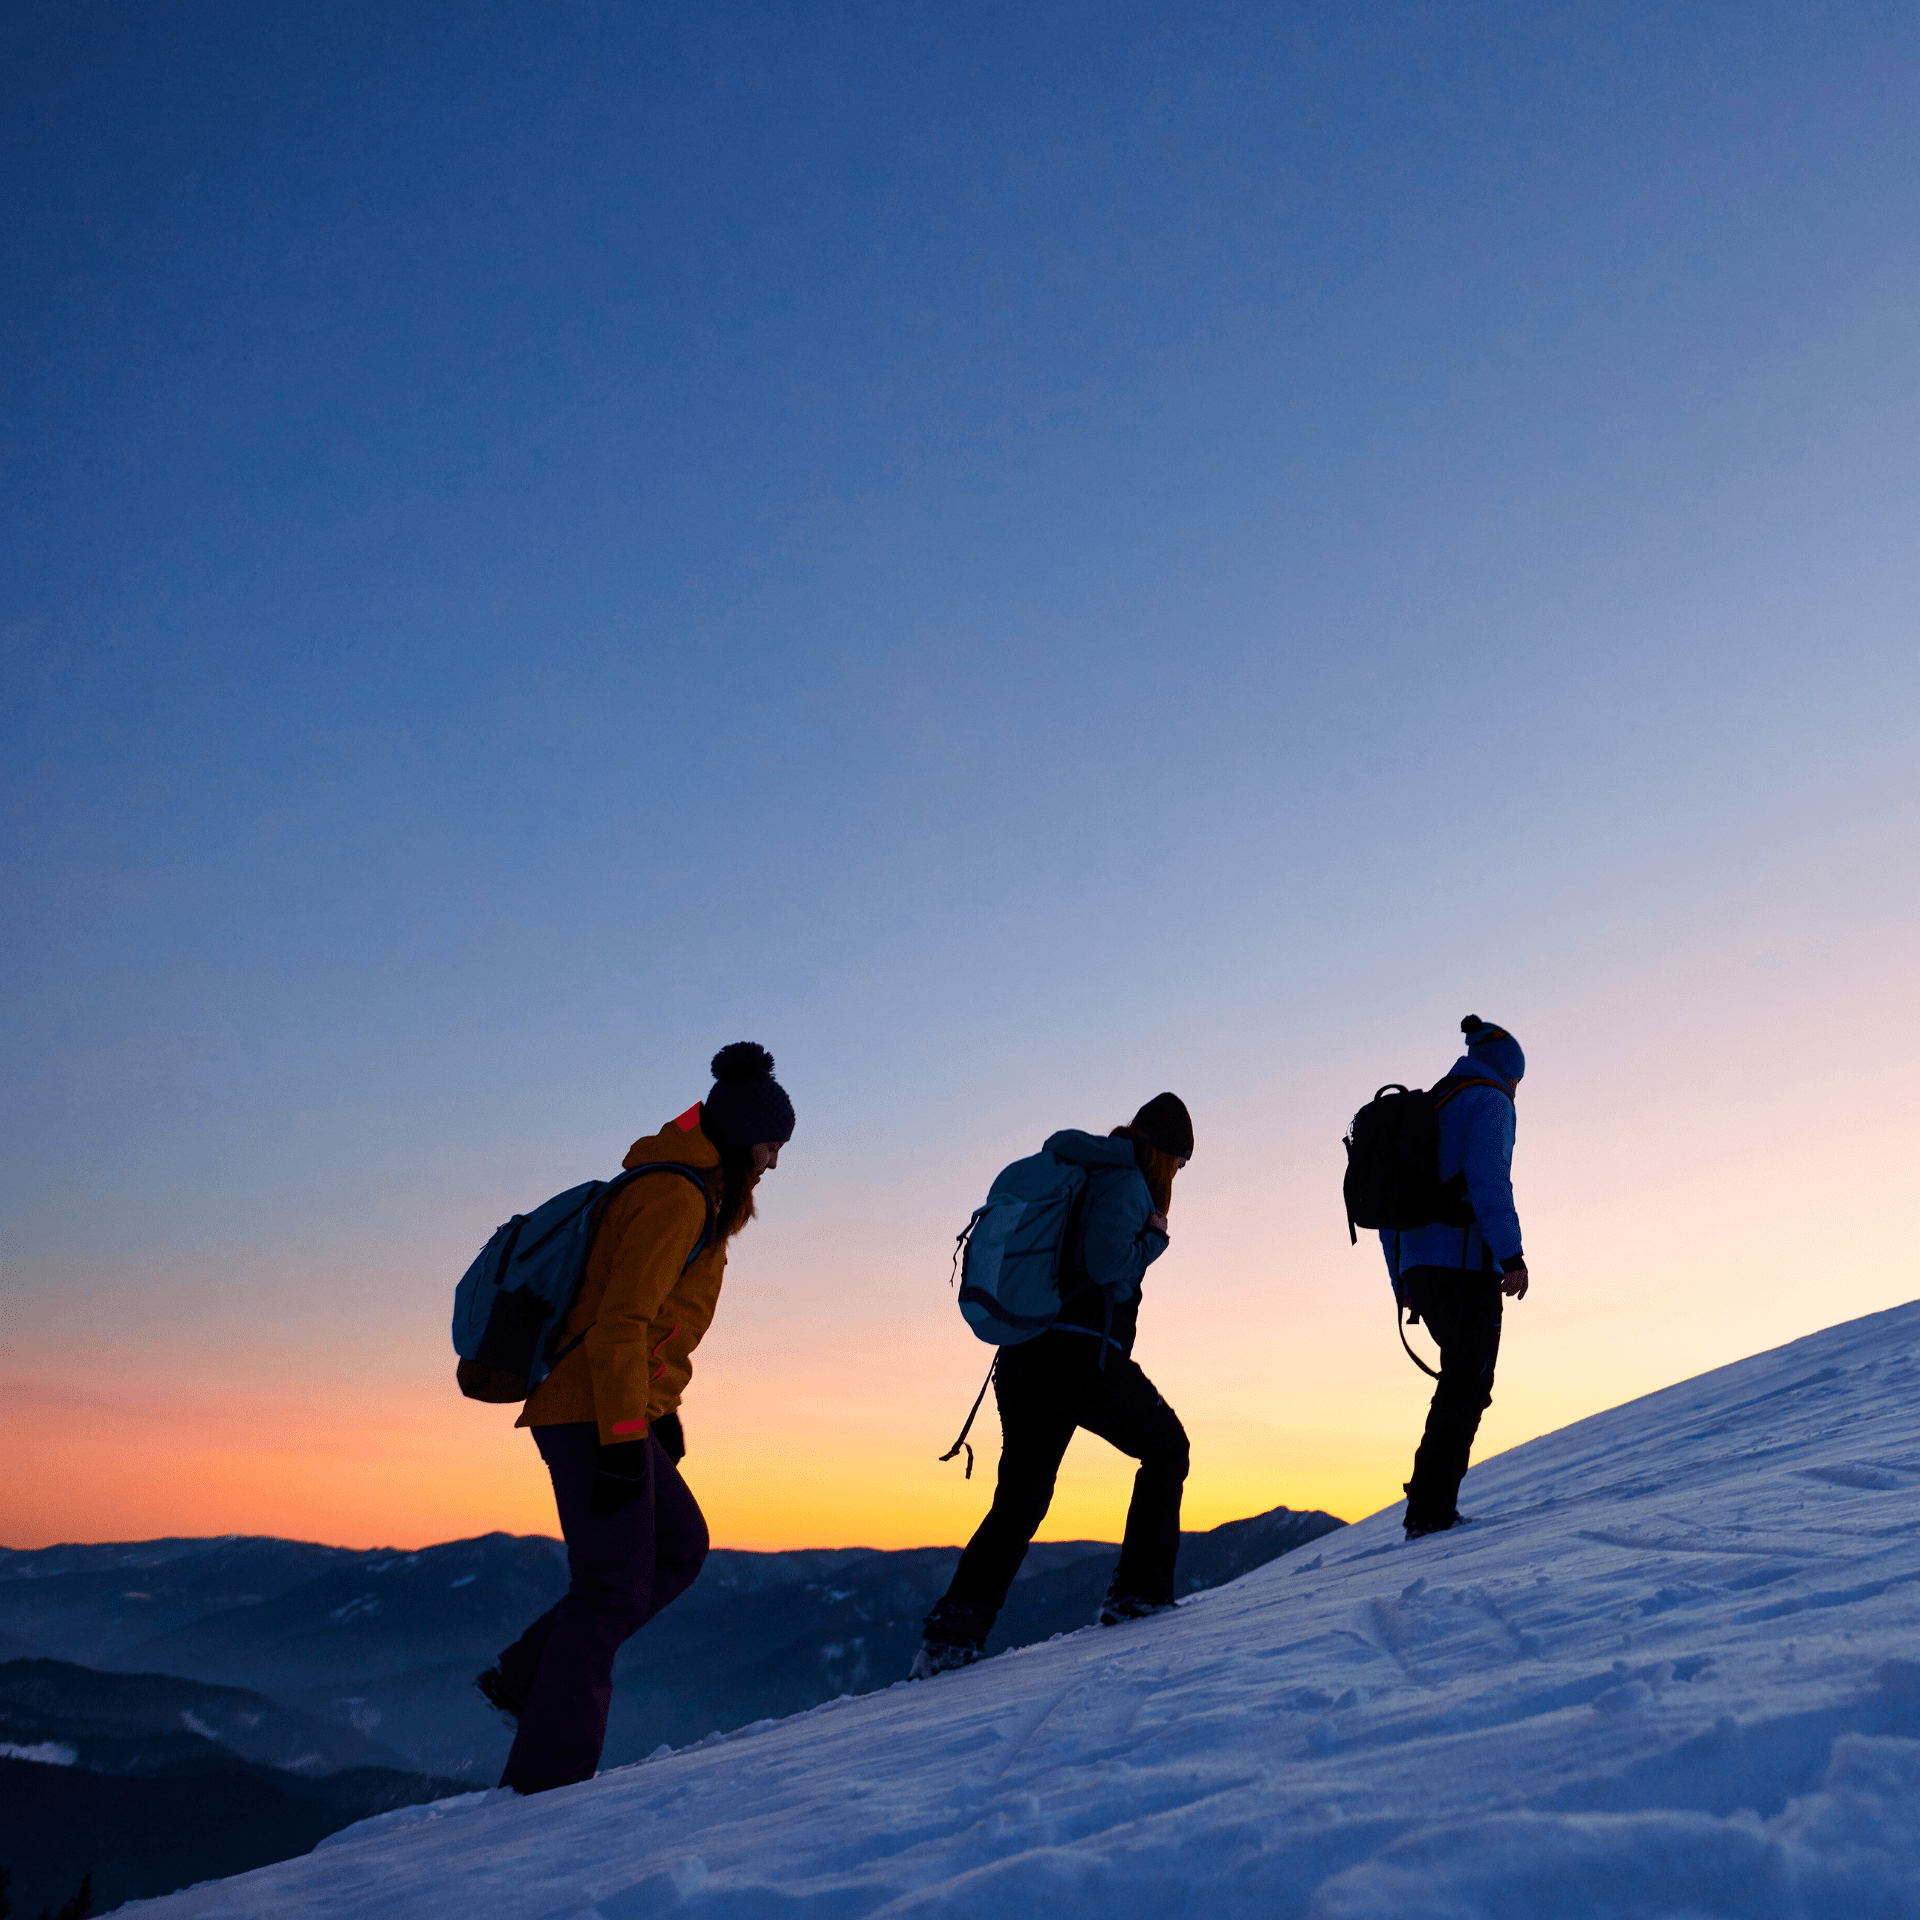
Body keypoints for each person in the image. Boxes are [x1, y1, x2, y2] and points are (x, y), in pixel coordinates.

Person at [476, 1042, 795, 1793]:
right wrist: (626, 1435)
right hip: (591, 1413)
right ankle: (547, 1778)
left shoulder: (694, 1192)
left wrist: (659, 1414)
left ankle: (529, 1675)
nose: (775, 1162)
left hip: (613, 1406)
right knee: (610, 1588)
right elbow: (623, 1323)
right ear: (743, 1136)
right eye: (772, 1145)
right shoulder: (675, 1197)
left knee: (679, 1545)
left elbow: (653, 1329)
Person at [911, 1093, 1195, 1679]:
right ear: (1166, 1154)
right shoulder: (1126, 1181)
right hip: (1081, 1355)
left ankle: (952, 1635)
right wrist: (1156, 1238)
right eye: (1180, 1165)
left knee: (1020, 1500)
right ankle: (1137, 1594)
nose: (1178, 1177)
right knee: (1167, 1449)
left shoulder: (1078, 1169)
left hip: (1024, 1356)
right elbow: (1105, 1262)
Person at [1382, 1016, 1529, 1540]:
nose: (1517, 1091)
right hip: (1467, 1265)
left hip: (1421, 1268)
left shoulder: (1428, 1108)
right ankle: (1430, 1509)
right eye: (1519, 1081)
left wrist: (1402, 1277)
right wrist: (1511, 1255)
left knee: (1459, 1380)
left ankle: (1429, 1500)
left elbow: (1392, 1211)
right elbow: (1490, 1182)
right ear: (1506, 1072)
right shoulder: (1489, 1101)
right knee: (1468, 1383)